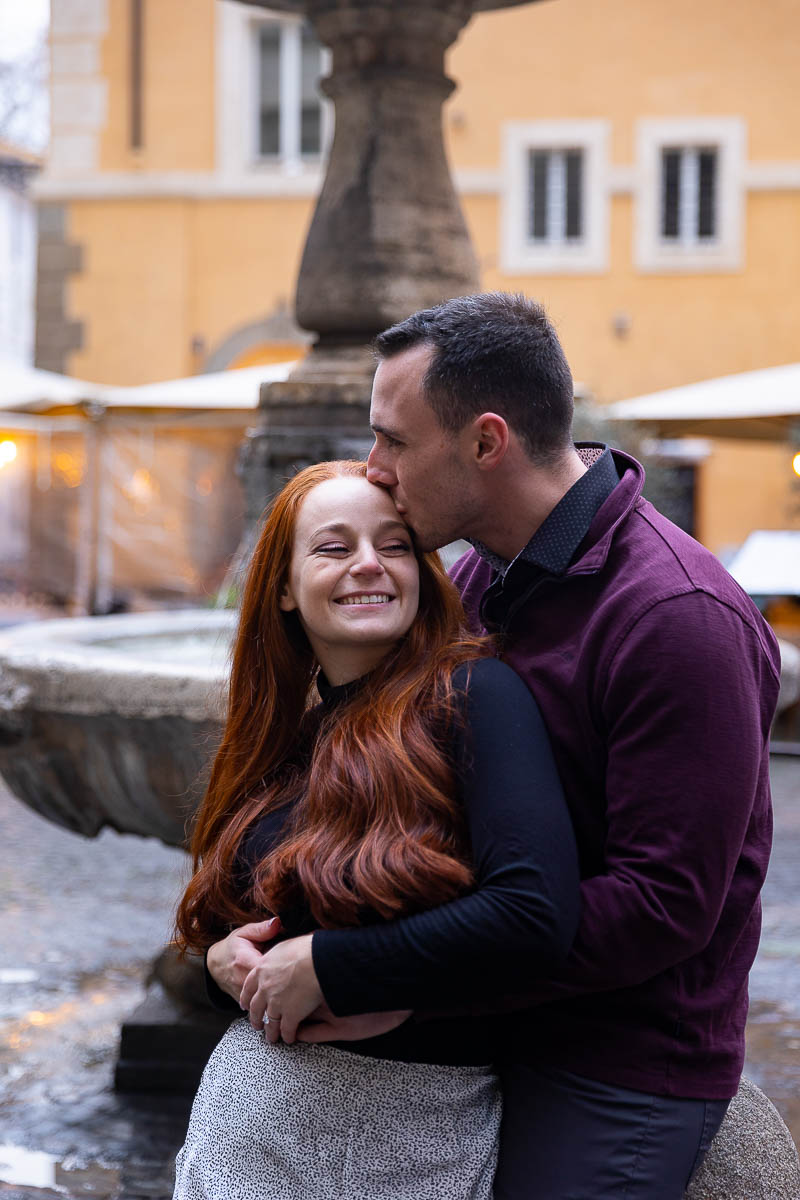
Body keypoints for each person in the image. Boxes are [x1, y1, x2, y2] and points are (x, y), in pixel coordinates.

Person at [253, 293, 781, 1198]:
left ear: (486, 442)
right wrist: (253, 945)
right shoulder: (472, 579)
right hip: (484, 1021)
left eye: (395, 441)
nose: (374, 471)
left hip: (618, 1060)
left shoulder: (677, 619)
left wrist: (383, 975)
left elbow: (663, 906)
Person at [172, 459, 579, 1199]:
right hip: (244, 1142)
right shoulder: (283, 738)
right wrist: (216, 970)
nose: (369, 565)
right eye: (333, 548)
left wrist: (333, 966)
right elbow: (224, 931)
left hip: (411, 1144)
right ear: (285, 589)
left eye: (394, 546)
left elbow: (534, 912)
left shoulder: (475, 694)